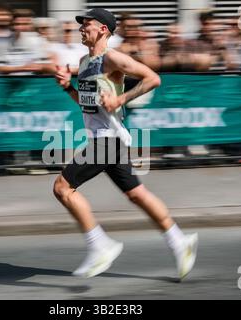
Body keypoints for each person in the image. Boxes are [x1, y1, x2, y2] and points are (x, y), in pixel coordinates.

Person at [54, 8, 198, 279]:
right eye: (82, 24)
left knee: (63, 188)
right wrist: (68, 88)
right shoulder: (85, 62)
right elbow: (87, 106)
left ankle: (100, 246)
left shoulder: (113, 58)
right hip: (110, 140)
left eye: (87, 24)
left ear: (103, 30)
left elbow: (153, 78)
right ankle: (180, 242)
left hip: (108, 140)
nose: (82, 28)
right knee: (137, 194)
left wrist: (120, 99)